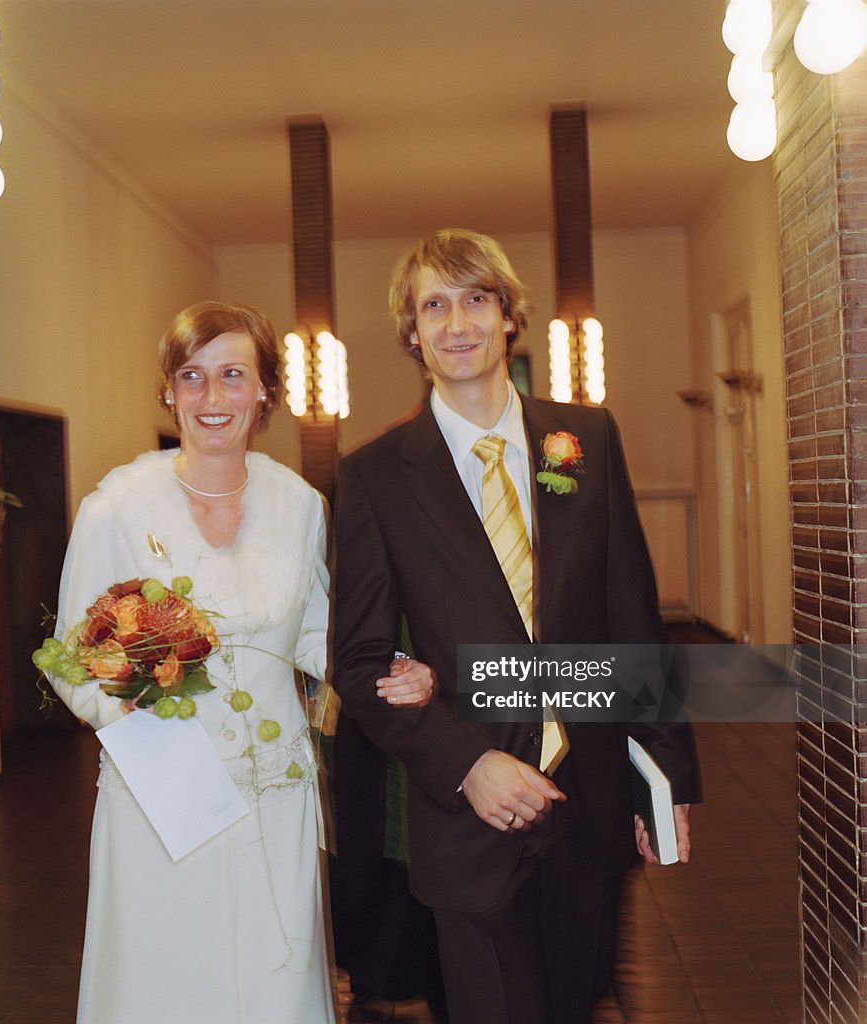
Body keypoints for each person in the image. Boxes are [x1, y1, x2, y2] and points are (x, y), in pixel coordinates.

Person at [331, 230, 701, 1024]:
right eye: (434, 305)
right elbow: (359, 663)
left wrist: (662, 778)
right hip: (468, 815)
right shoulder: (374, 477)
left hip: (590, 798)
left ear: (508, 317)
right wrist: (469, 764)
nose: (456, 322)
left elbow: (630, 618)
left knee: (578, 1005)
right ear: (412, 330)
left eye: (475, 299)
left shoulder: (581, 443)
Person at [48, 301, 435, 1024]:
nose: (212, 397)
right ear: (169, 391)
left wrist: (400, 667)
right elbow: (75, 655)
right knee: (166, 975)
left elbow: (323, 634)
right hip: (161, 787)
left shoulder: (300, 506)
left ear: (264, 393)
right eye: (192, 377)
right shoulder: (118, 508)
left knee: (272, 976)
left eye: (232, 375)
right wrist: (126, 705)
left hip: (273, 786)